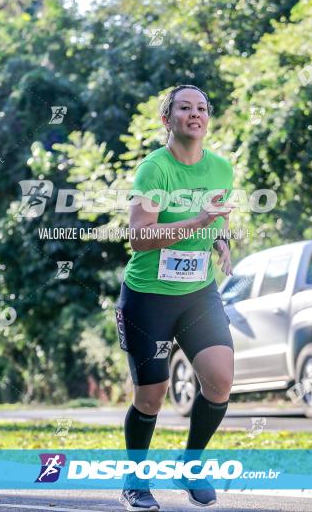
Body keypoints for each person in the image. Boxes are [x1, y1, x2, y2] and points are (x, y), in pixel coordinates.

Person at [118, 85, 235, 511]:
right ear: (167, 119)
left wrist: (219, 241)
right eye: (185, 107)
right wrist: (199, 218)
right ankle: (136, 478)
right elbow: (140, 238)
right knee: (152, 395)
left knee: (220, 380)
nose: (195, 113)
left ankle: (191, 463)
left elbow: (217, 223)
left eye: (202, 107)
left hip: (198, 294)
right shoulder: (154, 170)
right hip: (148, 297)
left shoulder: (222, 170)